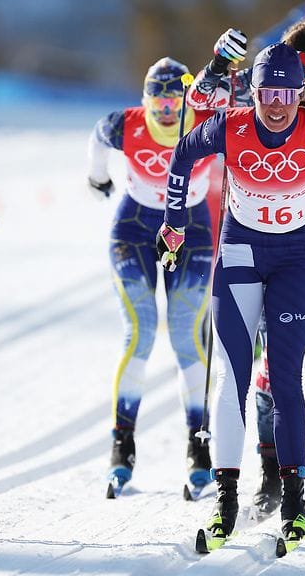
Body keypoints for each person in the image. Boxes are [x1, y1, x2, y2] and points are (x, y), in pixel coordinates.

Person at [158, 42, 305, 551]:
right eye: (268, 92)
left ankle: (293, 502)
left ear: (299, 94)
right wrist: (173, 225)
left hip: (292, 258)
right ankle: (224, 500)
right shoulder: (233, 125)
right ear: (256, 92)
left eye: (288, 92)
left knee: (286, 376)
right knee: (232, 376)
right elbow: (182, 153)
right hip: (240, 252)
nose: (278, 103)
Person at [86, 57, 218, 498]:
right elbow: (98, 138)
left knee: (185, 336)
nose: (165, 111)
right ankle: (121, 446)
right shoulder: (125, 124)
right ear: (145, 102)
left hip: (194, 230)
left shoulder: (207, 122)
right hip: (136, 229)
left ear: (187, 100)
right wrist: (98, 178)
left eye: (174, 102)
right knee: (139, 332)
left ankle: (198, 446)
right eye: (157, 103)